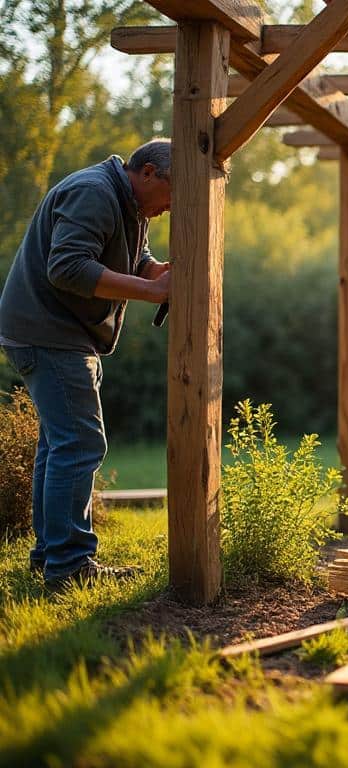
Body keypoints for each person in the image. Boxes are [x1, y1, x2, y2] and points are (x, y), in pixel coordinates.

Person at [0, 139, 174, 590]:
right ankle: (71, 566)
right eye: (172, 194)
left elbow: (131, 257)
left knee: (58, 446)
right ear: (150, 172)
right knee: (80, 444)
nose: (171, 207)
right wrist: (150, 291)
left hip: (53, 331)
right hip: (48, 332)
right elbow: (68, 267)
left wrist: (154, 271)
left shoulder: (127, 202)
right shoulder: (95, 192)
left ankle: (50, 558)